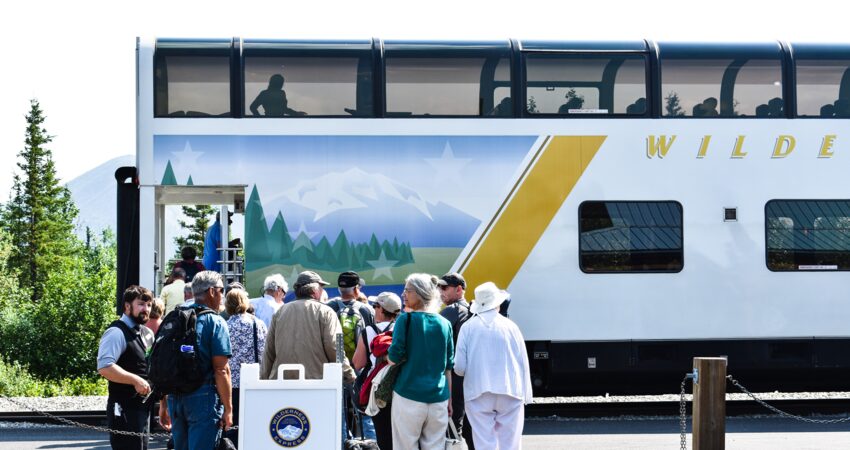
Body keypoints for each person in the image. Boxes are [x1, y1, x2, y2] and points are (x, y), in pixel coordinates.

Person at [158, 271, 233, 450]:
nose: (222, 296)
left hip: (175, 398)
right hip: (204, 398)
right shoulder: (215, 321)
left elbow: (163, 365)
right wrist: (229, 409)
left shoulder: (176, 317)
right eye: (221, 290)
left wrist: (163, 404)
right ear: (212, 291)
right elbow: (222, 370)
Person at [454, 282, 533, 450]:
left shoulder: (468, 327)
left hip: (478, 392)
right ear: (497, 304)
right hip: (510, 390)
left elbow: (459, 368)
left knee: (484, 442)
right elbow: (522, 362)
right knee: (511, 443)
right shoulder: (511, 327)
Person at [388, 273, 454, 449]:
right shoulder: (444, 323)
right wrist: (450, 401)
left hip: (408, 396)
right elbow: (448, 367)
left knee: (405, 445)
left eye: (407, 290)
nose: (403, 294)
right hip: (439, 398)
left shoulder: (405, 319)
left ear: (419, 293)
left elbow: (394, 357)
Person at [261, 270, 356, 382]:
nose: (322, 290)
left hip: (283, 382)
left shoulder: (280, 312)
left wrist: (264, 378)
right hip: (317, 383)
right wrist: (348, 373)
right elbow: (336, 346)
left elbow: (268, 349)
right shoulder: (327, 312)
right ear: (315, 291)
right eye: (321, 287)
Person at [96, 285, 155, 450]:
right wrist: (135, 380)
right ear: (127, 306)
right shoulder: (116, 332)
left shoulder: (147, 333)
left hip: (143, 408)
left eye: (149, 305)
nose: (146, 309)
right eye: (141, 304)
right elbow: (105, 367)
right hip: (123, 409)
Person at [352, 292, 400, 450]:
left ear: (381, 309)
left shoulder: (368, 332)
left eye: (375, 306)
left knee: (382, 434)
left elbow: (358, 364)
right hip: (401, 386)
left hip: (376, 388)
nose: (373, 309)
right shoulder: (403, 329)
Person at [225, 287, 267, 445]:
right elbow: (265, 351)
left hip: (232, 382)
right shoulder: (258, 323)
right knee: (254, 422)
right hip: (255, 378)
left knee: (234, 423)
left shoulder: (226, 326)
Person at [437, 272, 475, 449]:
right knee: (470, 424)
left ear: (459, 289)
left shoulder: (451, 311)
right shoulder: (472, 311)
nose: (440, 292)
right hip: (471, 376)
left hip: (453, 376)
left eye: (444, 288)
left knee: (452, 425)